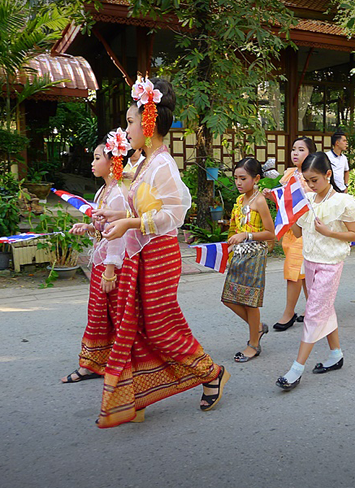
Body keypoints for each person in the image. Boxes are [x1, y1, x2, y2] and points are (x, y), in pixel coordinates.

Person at [97, 77, 228, 427]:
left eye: (130, 122)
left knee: (159, 327)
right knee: (136, 324)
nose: (127, 129)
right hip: (141, 253)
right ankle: (137, 394)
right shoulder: (144, 164)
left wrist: (129, 224)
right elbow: (140, 210)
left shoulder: (162, 165)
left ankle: (211, 372)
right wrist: (117, 216)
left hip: (159, 255)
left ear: (149, 123)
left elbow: (175, 213)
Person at [276, 152, 355, 390]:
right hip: (310, 261)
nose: (310, 184)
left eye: (314, 179)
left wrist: (330, 232)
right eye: (307, 180)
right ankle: (336, 354)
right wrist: (292, 213)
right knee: (324, 307)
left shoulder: (342, 202)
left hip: (330, 263)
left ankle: (296, 369)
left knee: (314, 311)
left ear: (328, 175)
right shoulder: (308, 199)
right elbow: (297, 233)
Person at [61, 131, 128, 383]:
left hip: (110, 264)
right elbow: (103, 228)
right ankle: (101, 362)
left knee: (108, 314)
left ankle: (100, 364)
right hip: (101, 261)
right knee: (101, 313)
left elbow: (118, 234)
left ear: (112, 162)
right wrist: (88, 228)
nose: (92, 162)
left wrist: (111, 269)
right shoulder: (104, 191)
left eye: (97, 157)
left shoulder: (119, 193)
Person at [222, 157, 275, 362]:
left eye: (243, 178)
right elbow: (235, 229)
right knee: (229, 298)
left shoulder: (259, 201)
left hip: (255, 255)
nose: (238, 182)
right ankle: (258, 328)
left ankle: (253, 343)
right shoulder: (239, 201)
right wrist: (230, 246)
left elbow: (271, 233)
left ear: (256, 178)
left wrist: (247, 236)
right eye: (235, 178)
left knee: (250, 302)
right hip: (238, 256)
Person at [264, 137, 316, 331]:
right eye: (294, 149)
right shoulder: (289, 174)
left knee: (294, 271)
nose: (295, 153)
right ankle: (313, 308)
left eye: (301, 149)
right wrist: (273, 196)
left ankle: (288, 313)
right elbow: (286, 203)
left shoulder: (313, 175)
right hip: (290, 230)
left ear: (310, 153)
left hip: (306, 230)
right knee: (302, 271)